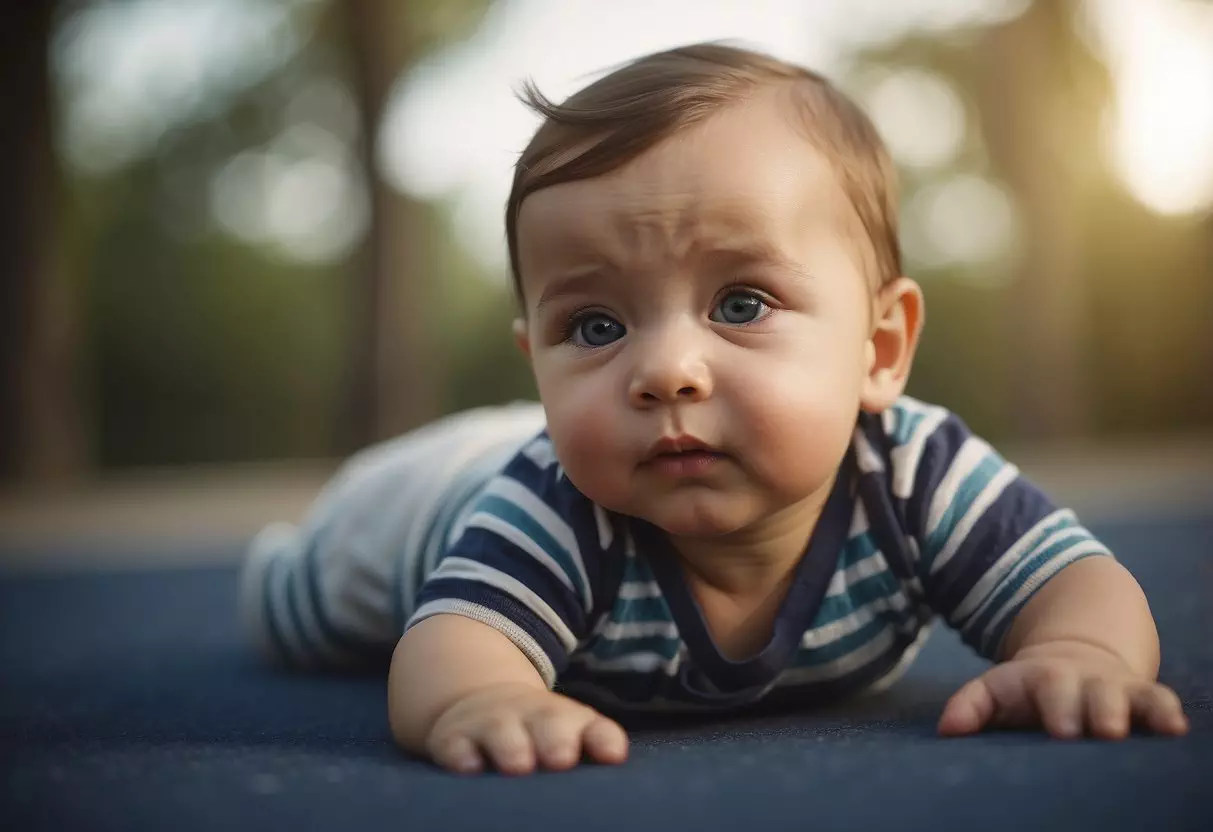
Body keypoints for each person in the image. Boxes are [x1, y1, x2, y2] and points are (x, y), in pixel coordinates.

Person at [239, 42, 1188, 776]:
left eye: (741, 305)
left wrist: (1081, 653)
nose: (665, 371)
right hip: (417, 503)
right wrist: (478, 702)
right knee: (302, 612)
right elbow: (450, 652)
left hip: (544, 445)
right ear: (539, 362)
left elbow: (1076, 583)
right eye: (597, 325)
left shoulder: (910, 470)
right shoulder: (554, 509)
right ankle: (278, 559)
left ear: (880, 348)